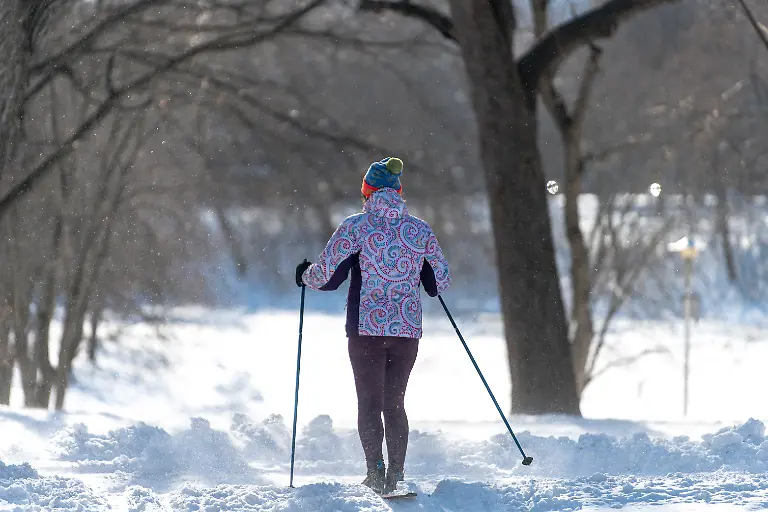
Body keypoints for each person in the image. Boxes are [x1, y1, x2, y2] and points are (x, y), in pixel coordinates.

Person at [295, 157, 451, 494]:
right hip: (406, 331)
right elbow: (440, 281)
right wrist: (419, 270)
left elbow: (328, 278)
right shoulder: (419, 230)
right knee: (394, 403)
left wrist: (304, 274)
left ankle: (375, 472)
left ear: (367, 193)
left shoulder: (355, 226)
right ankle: (397, 474)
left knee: (369, 403)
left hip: (365, 329)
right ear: (398, 192)